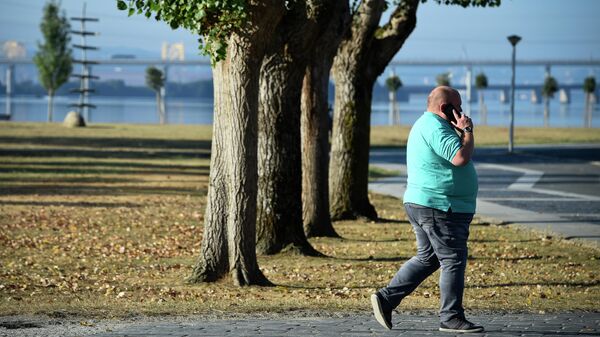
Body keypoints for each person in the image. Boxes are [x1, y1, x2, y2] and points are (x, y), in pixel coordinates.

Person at [371, 86, 482, 333]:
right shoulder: (434, 127)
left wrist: (458, 130)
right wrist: (467, 130)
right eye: (458, 107)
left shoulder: (429, 125)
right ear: (446, 108)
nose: (462, 112)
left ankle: (386, 299)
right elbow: (460, 157)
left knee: (428, 258)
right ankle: (451, 317)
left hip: (427, 203)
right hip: (440, 206)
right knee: (453, 259)